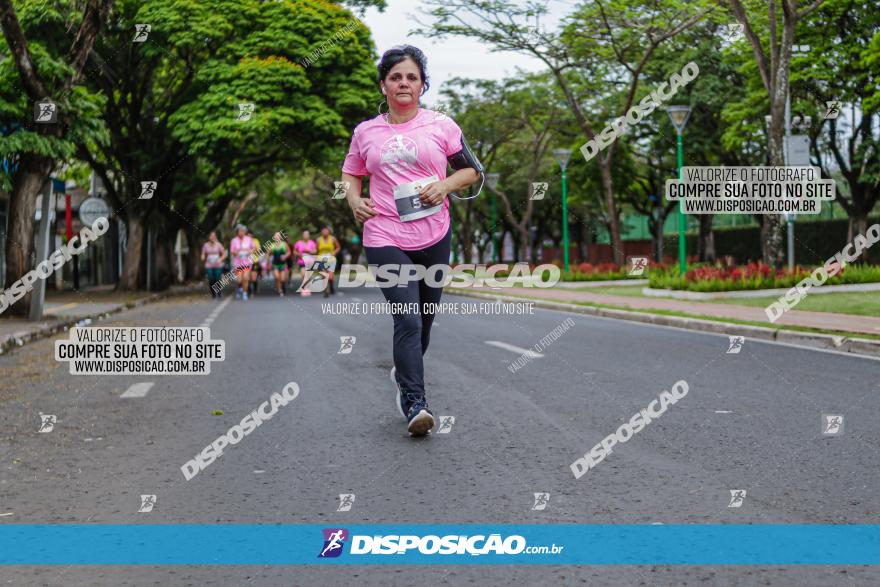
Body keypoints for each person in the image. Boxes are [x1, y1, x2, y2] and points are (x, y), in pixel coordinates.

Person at [339, 45, 481, 436]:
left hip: (434, 233)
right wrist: (354, 199)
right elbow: (352, 173)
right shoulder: (366, 132)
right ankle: (416, 402)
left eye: (412, 77)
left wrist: (446, 185)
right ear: (383, 84)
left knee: (426, 322)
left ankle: (404, 375)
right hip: (384, 232)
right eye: (396, 77)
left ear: (422, 86)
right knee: (408, 316)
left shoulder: (442, 126)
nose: (404, 83)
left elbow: (472, 171)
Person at [229, 225, 256, 300]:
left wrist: (250, 251)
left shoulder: (249, 239)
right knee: (239, 280)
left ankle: (245, 293)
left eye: (243, 231)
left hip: (247, 262)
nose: (241, 232)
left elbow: (254, 248)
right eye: (240, 231)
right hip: (238, 263)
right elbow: (232, 252)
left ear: (245, 232)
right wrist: (237, 253)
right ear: (237, 232)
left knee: (246, 278)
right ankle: (239, 288)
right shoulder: (234, 241)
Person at [316, 226, 342, 297]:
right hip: (321, 260)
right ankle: (326, 291)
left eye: (326, 231)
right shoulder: (318, 240)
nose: (325, 232)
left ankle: (331, 286)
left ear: (329, 231)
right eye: (323, 231)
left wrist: (335, 252)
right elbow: (316, 250)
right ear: (321, 232)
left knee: (330, 278)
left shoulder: (333, 239)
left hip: (331, 260)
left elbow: (338, 247)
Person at [201, 231, 227, 298]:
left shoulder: (218, 245)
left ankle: (219, 292)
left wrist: (220, 259)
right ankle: (213, 293)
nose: (212, 237)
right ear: (209, 237)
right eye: (211, 236)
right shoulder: (206, 245)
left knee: (218, 279)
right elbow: (203, 253)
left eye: (214, 236)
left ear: (215, 237)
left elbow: (224, 254)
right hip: (209, 265)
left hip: (217, 265)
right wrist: (203, 256)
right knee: (211, 279)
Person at [293, 230, 317, 297]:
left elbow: (315, 251)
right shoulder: (299, 243)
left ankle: (307, 288)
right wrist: (299, 254)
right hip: (302, 262)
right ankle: (304, 289)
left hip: (310, 262)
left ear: (309, 235)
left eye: (307, 234)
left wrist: (309, 251)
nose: (306, 236)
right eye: (304, 234)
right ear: (303, 235)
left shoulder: (312, 242)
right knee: (303, 274)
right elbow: (294, 251)